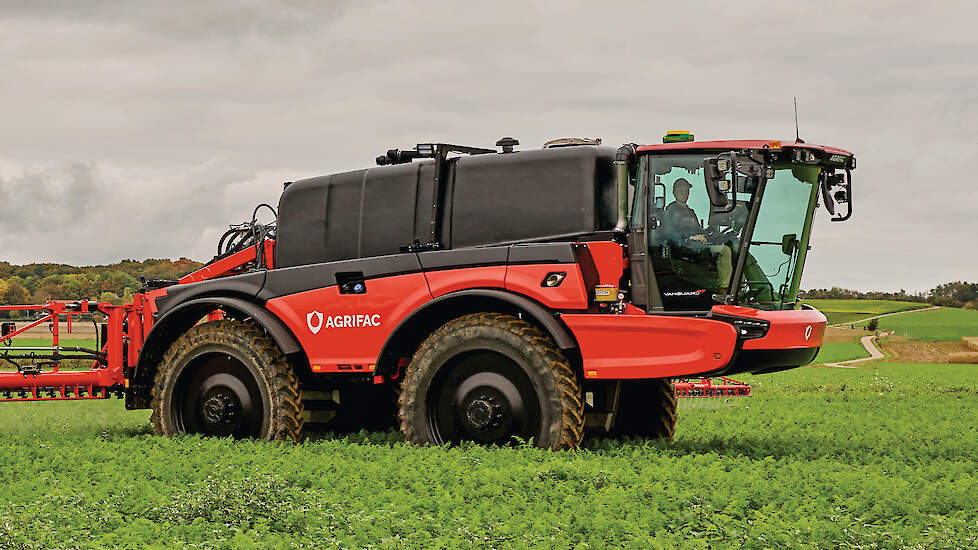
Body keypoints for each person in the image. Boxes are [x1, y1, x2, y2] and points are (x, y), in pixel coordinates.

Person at [663, 178, 733, 288]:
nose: (684, 194)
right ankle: (725, 288)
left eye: (686, 191)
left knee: (732, 245)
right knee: (724, 251)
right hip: (687, 249)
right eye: (681, 191)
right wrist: (691, 238)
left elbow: (699, 231)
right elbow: (670, 233)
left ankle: (739, 287)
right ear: (674, 192)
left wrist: (713, 233)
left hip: (698, 246)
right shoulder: (670, 211)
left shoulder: (691, 212)